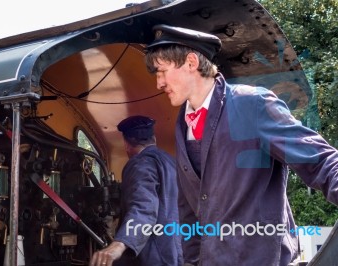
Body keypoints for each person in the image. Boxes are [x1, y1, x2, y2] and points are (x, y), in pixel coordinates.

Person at [144, 24, 338, 266]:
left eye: (161, 71)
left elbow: (320, 160)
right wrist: (192, 261)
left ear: (191, 62)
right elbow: (188, 207)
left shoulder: (252, 105)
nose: (158, 84)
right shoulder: (182, 125)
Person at [89, 115, 183, 266]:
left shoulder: (140, 164)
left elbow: (145, 208)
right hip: (177, 252)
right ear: (154, 139)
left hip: (152, 258)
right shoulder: (172, 162)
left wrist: (119, 244)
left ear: (126, 144)